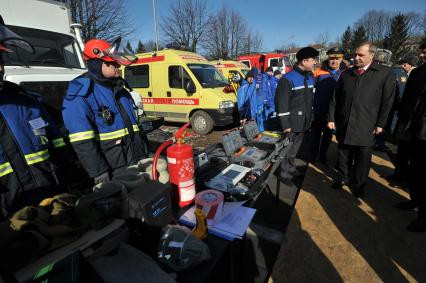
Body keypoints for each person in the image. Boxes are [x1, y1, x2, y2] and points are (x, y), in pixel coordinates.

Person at [0, 17, 70, 219]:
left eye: (1, 60)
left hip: (52, 204)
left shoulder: (26, 101)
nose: (0, 68)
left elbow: (56, 144)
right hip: (9, 223)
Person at [62, 38, 148, 185]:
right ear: (96, 64)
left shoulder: (121, 90)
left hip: (135, 163)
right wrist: (99, 172)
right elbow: (82, 142)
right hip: (112, 171)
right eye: (112, 63)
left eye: (117, 62)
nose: (118, 67)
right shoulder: (81, 95)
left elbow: (134, 128)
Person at [328, 42, 396, 198]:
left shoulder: (384, 73)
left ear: (372, 55)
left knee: (362, 157)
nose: (356, 58)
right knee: (343, 153)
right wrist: (331, 118)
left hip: (367, 124)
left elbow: (388, 101)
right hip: (345, 121)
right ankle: (343, 177)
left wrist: (381, 123)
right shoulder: (346, 74)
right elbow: (335, 98)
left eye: (360, 55)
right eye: (355, 54)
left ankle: (359, 184)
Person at [392, 40, 426, 232]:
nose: (421, 56)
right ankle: (414, 201)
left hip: (424, 133)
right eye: (422, 52)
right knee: (413, 171)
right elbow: (408, 100)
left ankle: (423, 216)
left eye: (425, 52)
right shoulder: (419, 72)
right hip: (411, 129)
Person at [275, 46, 318, 181]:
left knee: (295, 150)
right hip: (292, 123)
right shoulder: (288, 79)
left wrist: (310, 119)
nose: (315, 62)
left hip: (303, 122)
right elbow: (281, 104)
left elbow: (310, 101)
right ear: (304, 61)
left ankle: (291, 169)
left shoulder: (310, 78)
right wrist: (286, 125)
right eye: (313, 60)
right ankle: (284, 174)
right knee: (287, 150)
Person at [310, 47, 346, 164]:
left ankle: (322, 156)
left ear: (342, 59)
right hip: (319, 112)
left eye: (337, 58)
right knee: (315, 136)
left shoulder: (346, 73)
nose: (334, 61)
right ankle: (312, 156)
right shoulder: (319, 71)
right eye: (331, 58)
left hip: (334, 114)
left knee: (327, 137)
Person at [387, 55, 418, 186]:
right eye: (410, 64)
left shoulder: (395, 71)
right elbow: (401, 92)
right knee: (400, 146)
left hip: (404, 115)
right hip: (401, 113)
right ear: (406, 64)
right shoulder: (401, 74)